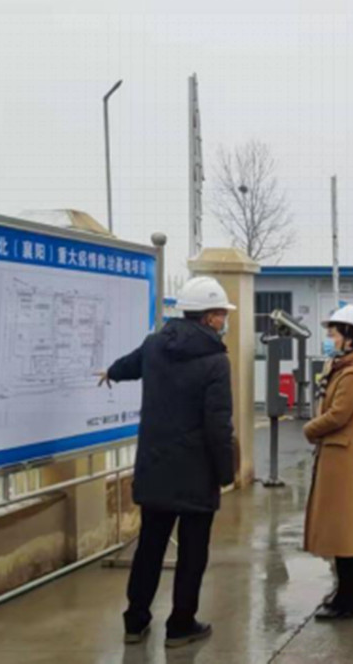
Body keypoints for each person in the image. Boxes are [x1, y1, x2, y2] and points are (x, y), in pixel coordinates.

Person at [98, 276, 236, 648]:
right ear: (208, 317)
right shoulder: (215, 361)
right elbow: (218, 425)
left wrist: (111, 372)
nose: (224, 320)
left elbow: (130, 365)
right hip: (196, 473)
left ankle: (135, 620)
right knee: (192, 554)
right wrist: (226, 472)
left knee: (150, 547)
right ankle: (180, 625)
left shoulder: (155, 345)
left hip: (155, 467)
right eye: (222, 314)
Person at [303, 305, 353, 620]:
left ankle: (350, 599)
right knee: (343, 531)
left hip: (345, 460)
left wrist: (310, 429)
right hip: (340, 458)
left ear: (350, 337)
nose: (330, 339)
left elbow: (337, 414)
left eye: (334, 333)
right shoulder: (345, 368)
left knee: (346, 531)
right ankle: (349, 592)